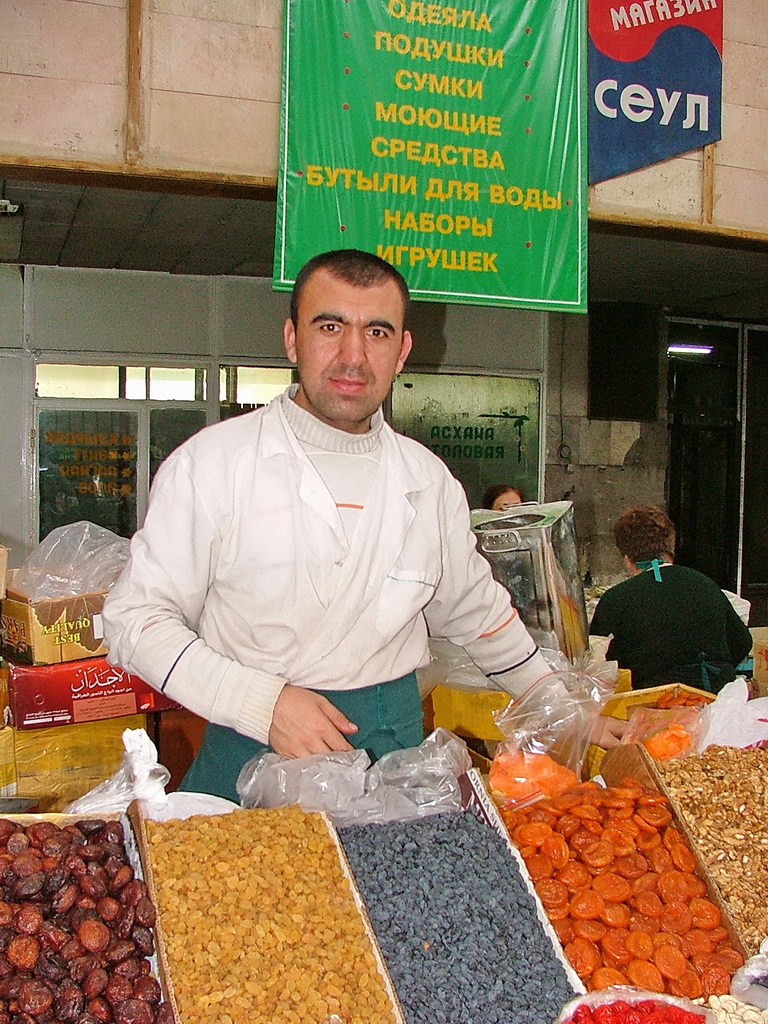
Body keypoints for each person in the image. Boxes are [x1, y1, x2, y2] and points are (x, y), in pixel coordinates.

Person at [102, 249, 562, 803]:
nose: (353, 355)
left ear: (402, 351)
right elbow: (135, 619)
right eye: (330, 326)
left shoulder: (428, 480)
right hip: (250, 742)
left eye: (376, 332)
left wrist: (563, 710)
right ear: (293, 339)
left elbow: (476, 613)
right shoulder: (212, 465)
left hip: (390, 751)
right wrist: (262, 703)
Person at [590, 505, 752, 692]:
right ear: (670, 546)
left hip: (652, 703)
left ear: (626, 558)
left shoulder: (615, 599)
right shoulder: (705, 584)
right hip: (718, 696)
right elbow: (742, 642)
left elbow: (598, 663)